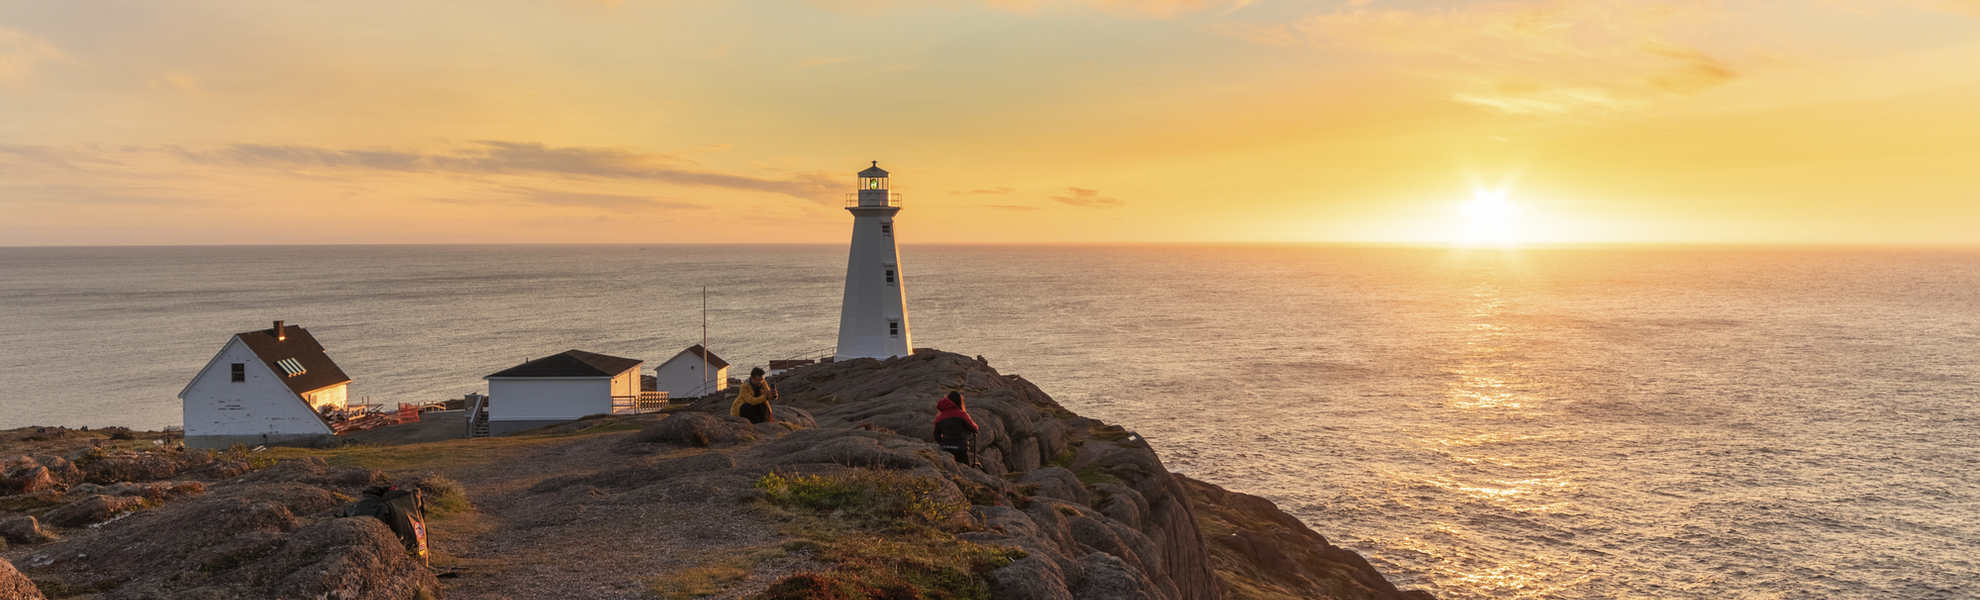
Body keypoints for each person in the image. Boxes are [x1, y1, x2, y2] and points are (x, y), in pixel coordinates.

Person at [932, 391, 979, 467]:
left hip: (946, 449)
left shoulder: (939, 417)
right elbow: (974, 429)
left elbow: (936, 435)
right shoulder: (961, 414)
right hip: (960, 449)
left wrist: (944, 443)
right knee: (966, 474)